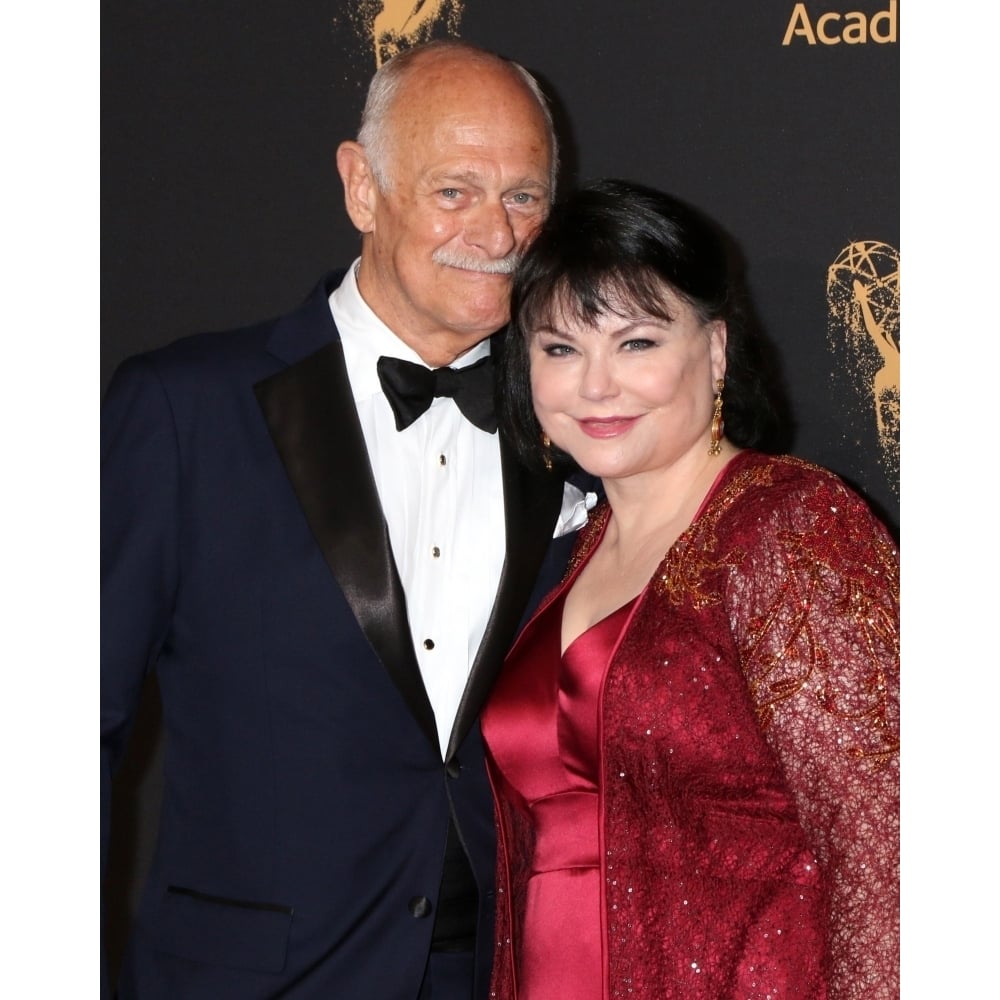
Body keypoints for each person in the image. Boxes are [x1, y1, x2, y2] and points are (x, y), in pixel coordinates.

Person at [101, 40, 588, 1000]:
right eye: (455, 191)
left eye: (525, 197)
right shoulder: (185, 408)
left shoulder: (574, 426)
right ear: (363, 188)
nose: (496, 233)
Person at [482, 179, 900, 999]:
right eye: (560, 349)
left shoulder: (790, 526)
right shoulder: (569, 555)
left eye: (636, 343)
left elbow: (888, 841)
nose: (595, 385)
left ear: (713, 351)